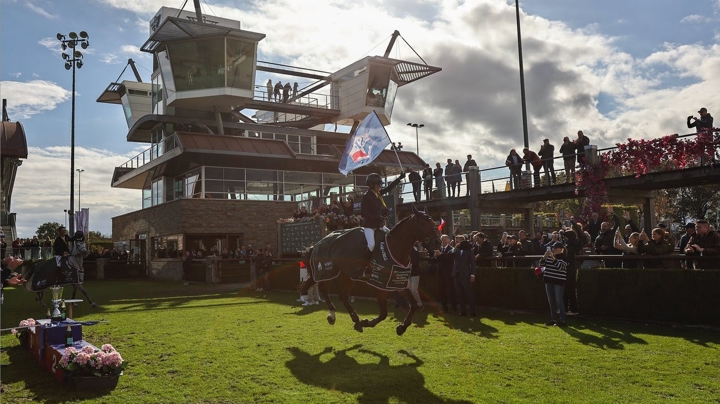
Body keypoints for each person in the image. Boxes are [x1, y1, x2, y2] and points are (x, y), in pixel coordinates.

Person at [360, 172, 405, 278]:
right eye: (378, 184)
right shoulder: (366, 196)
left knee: (392, 237)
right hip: (369, 226)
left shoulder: (378, 194)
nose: (380, 186)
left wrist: (399, 178)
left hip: (379, 224)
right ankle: (365, 266)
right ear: (371, 185)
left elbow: (389, 188)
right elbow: (363, 212)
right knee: (371, 245)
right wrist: (375, 218)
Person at [540, 242, 568, 326]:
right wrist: (545, 256)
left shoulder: (565, 258)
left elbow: (560, 267)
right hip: (549, 280)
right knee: (551, 301)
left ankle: (562, 320)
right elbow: (541, 264)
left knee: (559, 301)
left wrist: (552, 257)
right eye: (553, 248)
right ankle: (554, 319)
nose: (554, 249)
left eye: (556, 248)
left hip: (558, 282)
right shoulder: (549, 257)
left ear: (561, 249)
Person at [451, 234, 476, 317]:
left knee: (468, 293)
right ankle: (462, 311)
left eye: (458, 241)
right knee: (459, 294)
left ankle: (472, 311)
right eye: (455, 241)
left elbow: (473, 263)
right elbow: (448, 254)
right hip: (457, 275)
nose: (456, 242)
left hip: (465, 275)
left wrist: (473, 274)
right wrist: (454, 248)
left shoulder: (469, 251)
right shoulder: (456, 250)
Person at [431, 235, 457, 314]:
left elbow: (449, 259)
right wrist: (435, 256)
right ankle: (444, 308)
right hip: (440, 274)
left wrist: (440, 255)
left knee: (450, 291)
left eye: (445, 240)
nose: (443, 241)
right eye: (442, 240)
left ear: (449, 240)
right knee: (442, 292)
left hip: (448, 274)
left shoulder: (452, 249)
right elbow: (433, 260)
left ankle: (453, 308)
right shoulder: (439, 249)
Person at [408, 242, 423, 311]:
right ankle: (412, 304)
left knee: (413, 290)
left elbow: (415, 263)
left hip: (415, 273)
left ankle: (420, 304)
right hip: (408, 273)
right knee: (409, 289)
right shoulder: (409, 250)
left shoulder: (415, 251)